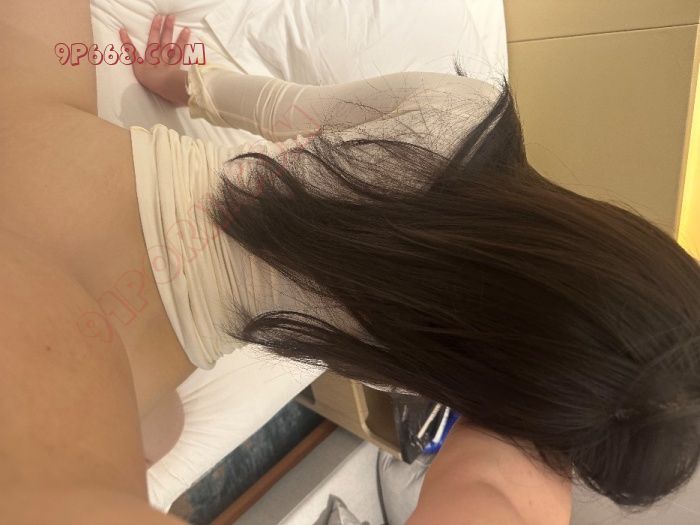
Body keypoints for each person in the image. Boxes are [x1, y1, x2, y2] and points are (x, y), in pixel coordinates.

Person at [1, 3, 699, 522]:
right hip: (123, 349)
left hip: (69, 169)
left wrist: (189, 83)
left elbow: (286, 109)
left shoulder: (463, 115)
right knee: (162, 433)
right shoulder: (441, 372)